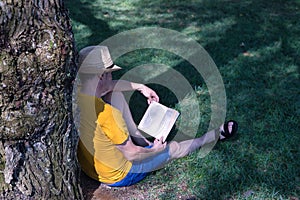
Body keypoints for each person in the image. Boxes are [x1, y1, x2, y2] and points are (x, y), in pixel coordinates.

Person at [76, 45, 238, 187]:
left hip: (90, 169)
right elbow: (130, 154)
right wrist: (154, 150)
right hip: (118, 176)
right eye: (110, 73)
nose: (112, 77)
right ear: (101, 76)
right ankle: (213, 136)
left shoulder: (73, 97)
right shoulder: (108, 114)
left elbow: (109, 86)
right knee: (172, 148)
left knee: (114, 94)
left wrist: (140, 87)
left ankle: (141, 140)